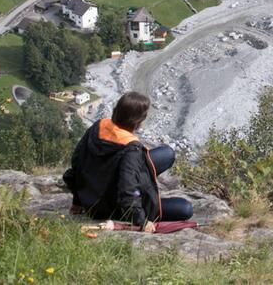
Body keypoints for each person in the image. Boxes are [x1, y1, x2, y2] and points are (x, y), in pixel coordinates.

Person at [63, 92, 192, 232]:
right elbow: (128, 190)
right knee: (185, 209)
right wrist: (142, 221)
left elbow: (77, 162)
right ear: (137, 121)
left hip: (93, 191)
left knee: (167, 154)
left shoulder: (99, 126)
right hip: (110, 205)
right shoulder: (131, 149)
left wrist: (78, 201)